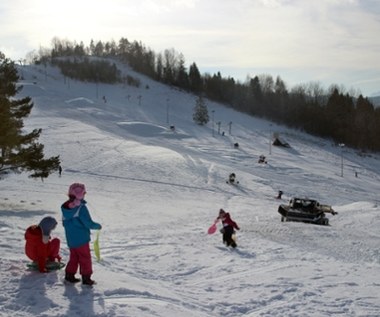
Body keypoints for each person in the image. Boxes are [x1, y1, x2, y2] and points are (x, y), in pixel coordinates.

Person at [61, 183, 102, 285]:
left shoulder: (65, 207)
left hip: (71, 238)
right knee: (85, 257)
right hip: (81, 238)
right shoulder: (81, 208)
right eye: (84, 193)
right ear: (80, 194)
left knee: (74, 256)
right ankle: (86, 278)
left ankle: (69, 275)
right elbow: (88, 223)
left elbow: (64, 223)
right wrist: (97, 226)